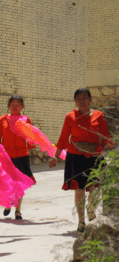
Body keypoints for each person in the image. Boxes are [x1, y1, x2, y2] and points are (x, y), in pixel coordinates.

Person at [49, 88, 111, 233]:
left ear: (90, 100)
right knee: (80, 189)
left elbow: (106, 136)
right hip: (76, 156)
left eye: (84, 98)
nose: (81, 101)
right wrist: (56, 156)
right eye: (78, 99)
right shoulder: (70, 117)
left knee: (96, 187)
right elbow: (64, 138)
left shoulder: (99, 116)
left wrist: (101, 148)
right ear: (75, 101)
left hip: (95, 157)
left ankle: (91, 207)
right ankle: (81, 221)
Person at [0, 95, 36, 220]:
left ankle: (18, 211)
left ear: (22, 107)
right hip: (7, 157)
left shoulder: (26, 119)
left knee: (20, 184)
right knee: (7, 183)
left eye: (17, 104)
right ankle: (8, 203)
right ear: (8, 106)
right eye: (12, 104)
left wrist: (30, 146)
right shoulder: (3, 119)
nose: (15, 107)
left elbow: (31, 136)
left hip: (21, 156)